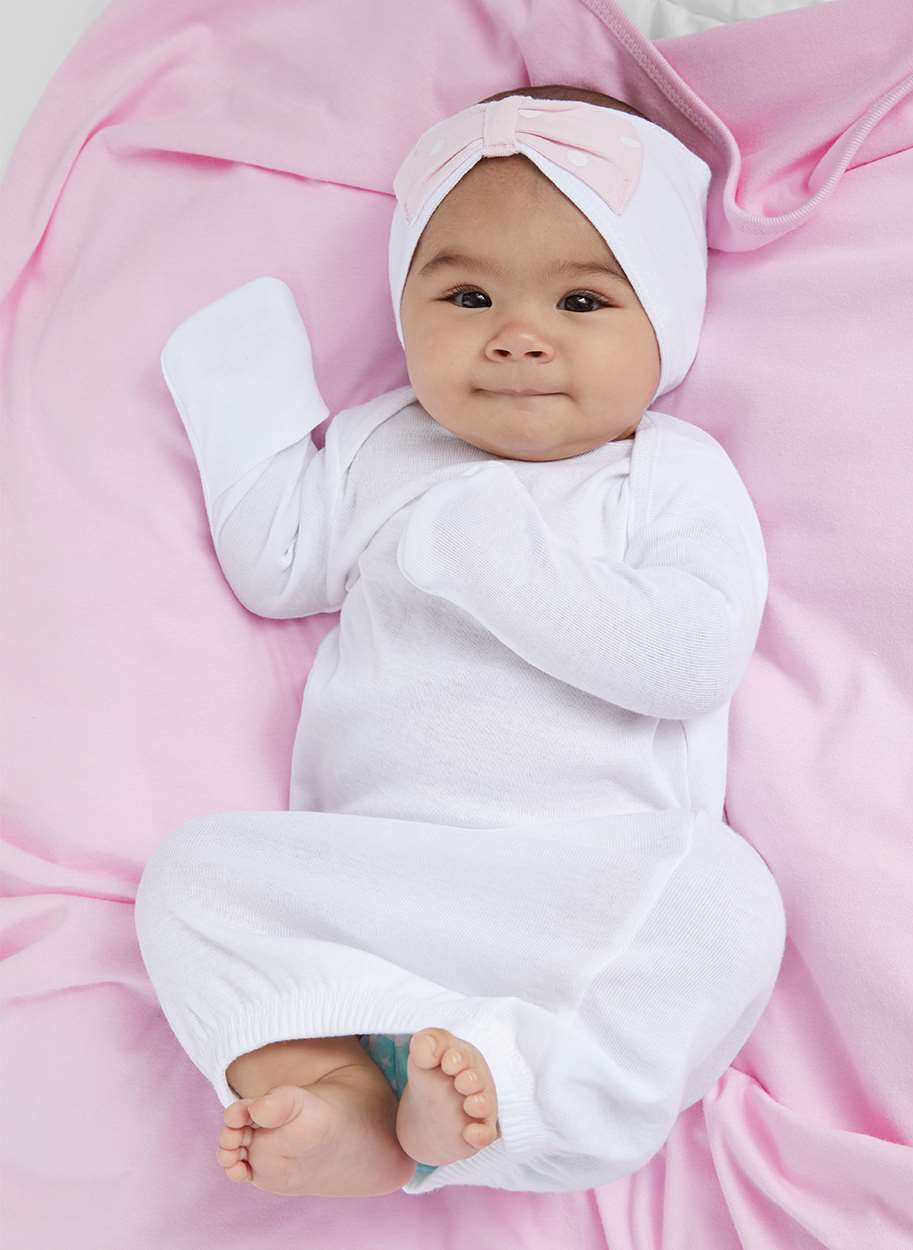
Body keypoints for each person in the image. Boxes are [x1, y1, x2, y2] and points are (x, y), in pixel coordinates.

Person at [133, 84, 786, 1199]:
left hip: (582, 879)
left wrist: (493, 556)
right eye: (469, 296)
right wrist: (239, 373)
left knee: (724, 899)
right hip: (387, 874)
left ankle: (523, 1100)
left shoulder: (665, 471)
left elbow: (691, 660)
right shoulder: (388, 446)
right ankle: (340, 1091)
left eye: (582, 300)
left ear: (666, 323)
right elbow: (275, 560)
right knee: (191, 879)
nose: (518, 335)